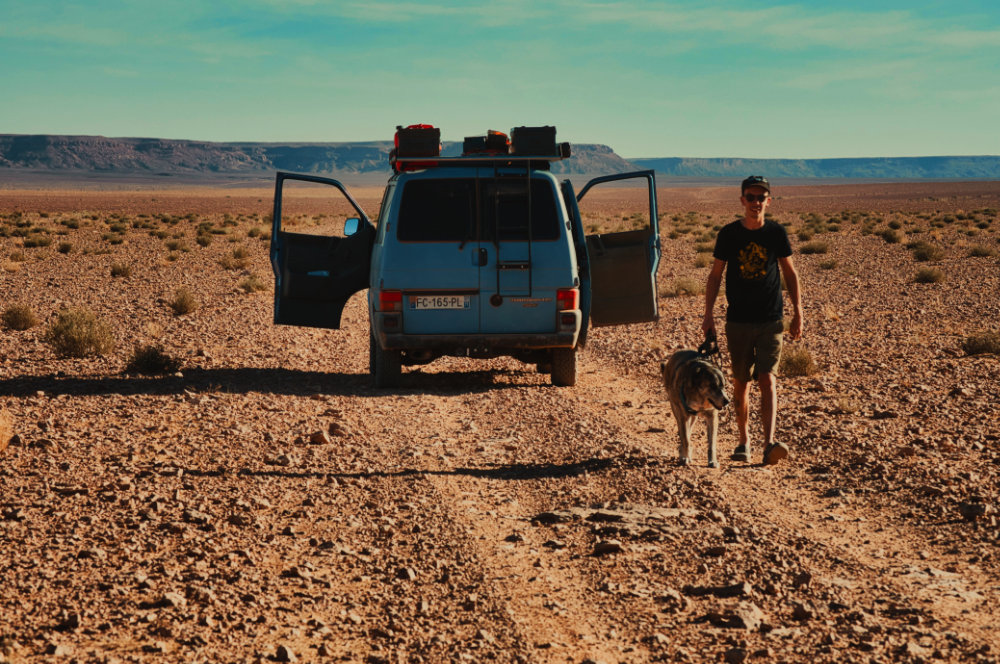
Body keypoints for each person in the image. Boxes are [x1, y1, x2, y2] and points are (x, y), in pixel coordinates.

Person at [702, 175, 803, 465]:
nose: (756, 202)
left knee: (768, 379)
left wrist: (798, 311)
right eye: (751, 197)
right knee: (741, 382)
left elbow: (790, 273)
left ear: (768, 201)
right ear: (742, 200)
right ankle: (744, 440)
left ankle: (769, 443)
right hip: (738, 321)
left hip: (771, 319)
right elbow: (715, 275)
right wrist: (708, 315)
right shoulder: (729, 234)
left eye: (761, 197)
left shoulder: (776, 233)